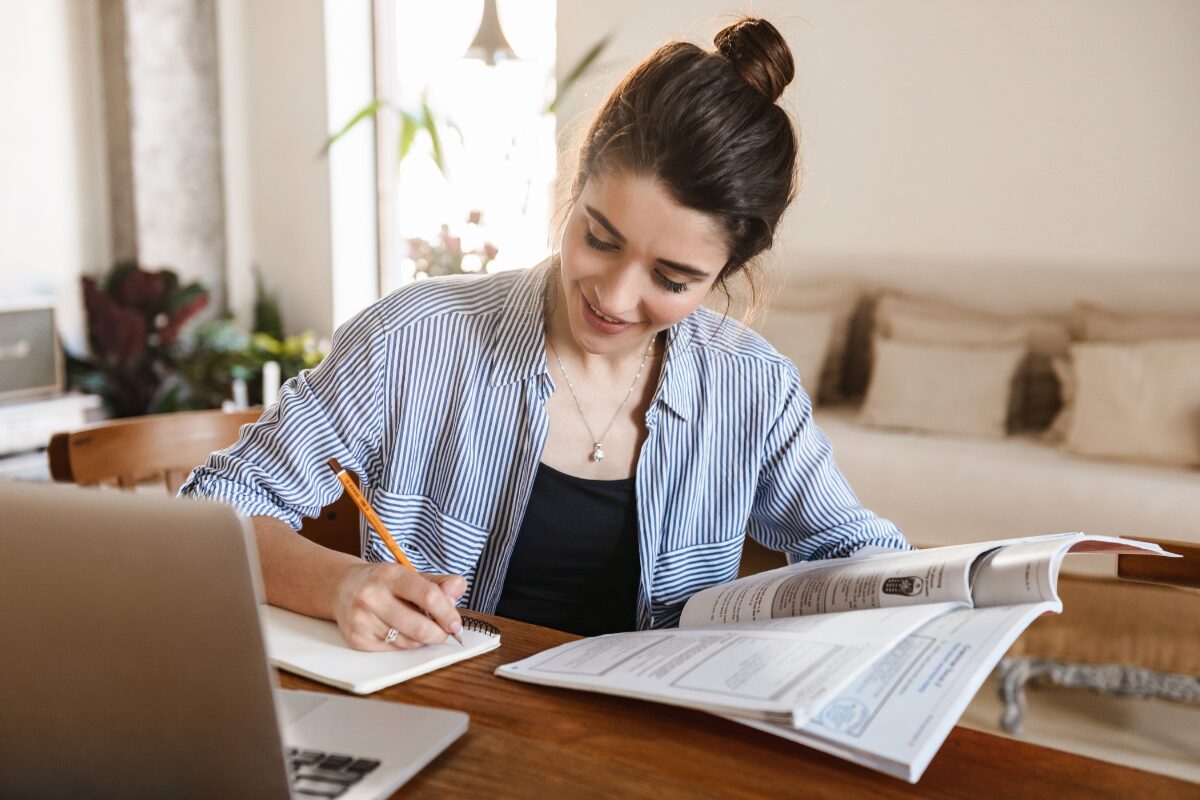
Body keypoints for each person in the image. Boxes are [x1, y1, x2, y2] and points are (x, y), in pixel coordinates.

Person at [180, 17, 908, 649]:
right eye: (599, 238)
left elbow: (856, 551)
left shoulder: (753, 386)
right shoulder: (413, 340)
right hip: (448, 716)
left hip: (648, 742)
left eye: (671, 279)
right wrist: (344, 585)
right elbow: (215, 509)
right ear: (575, 183)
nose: (614, 297)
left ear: (726, 272)